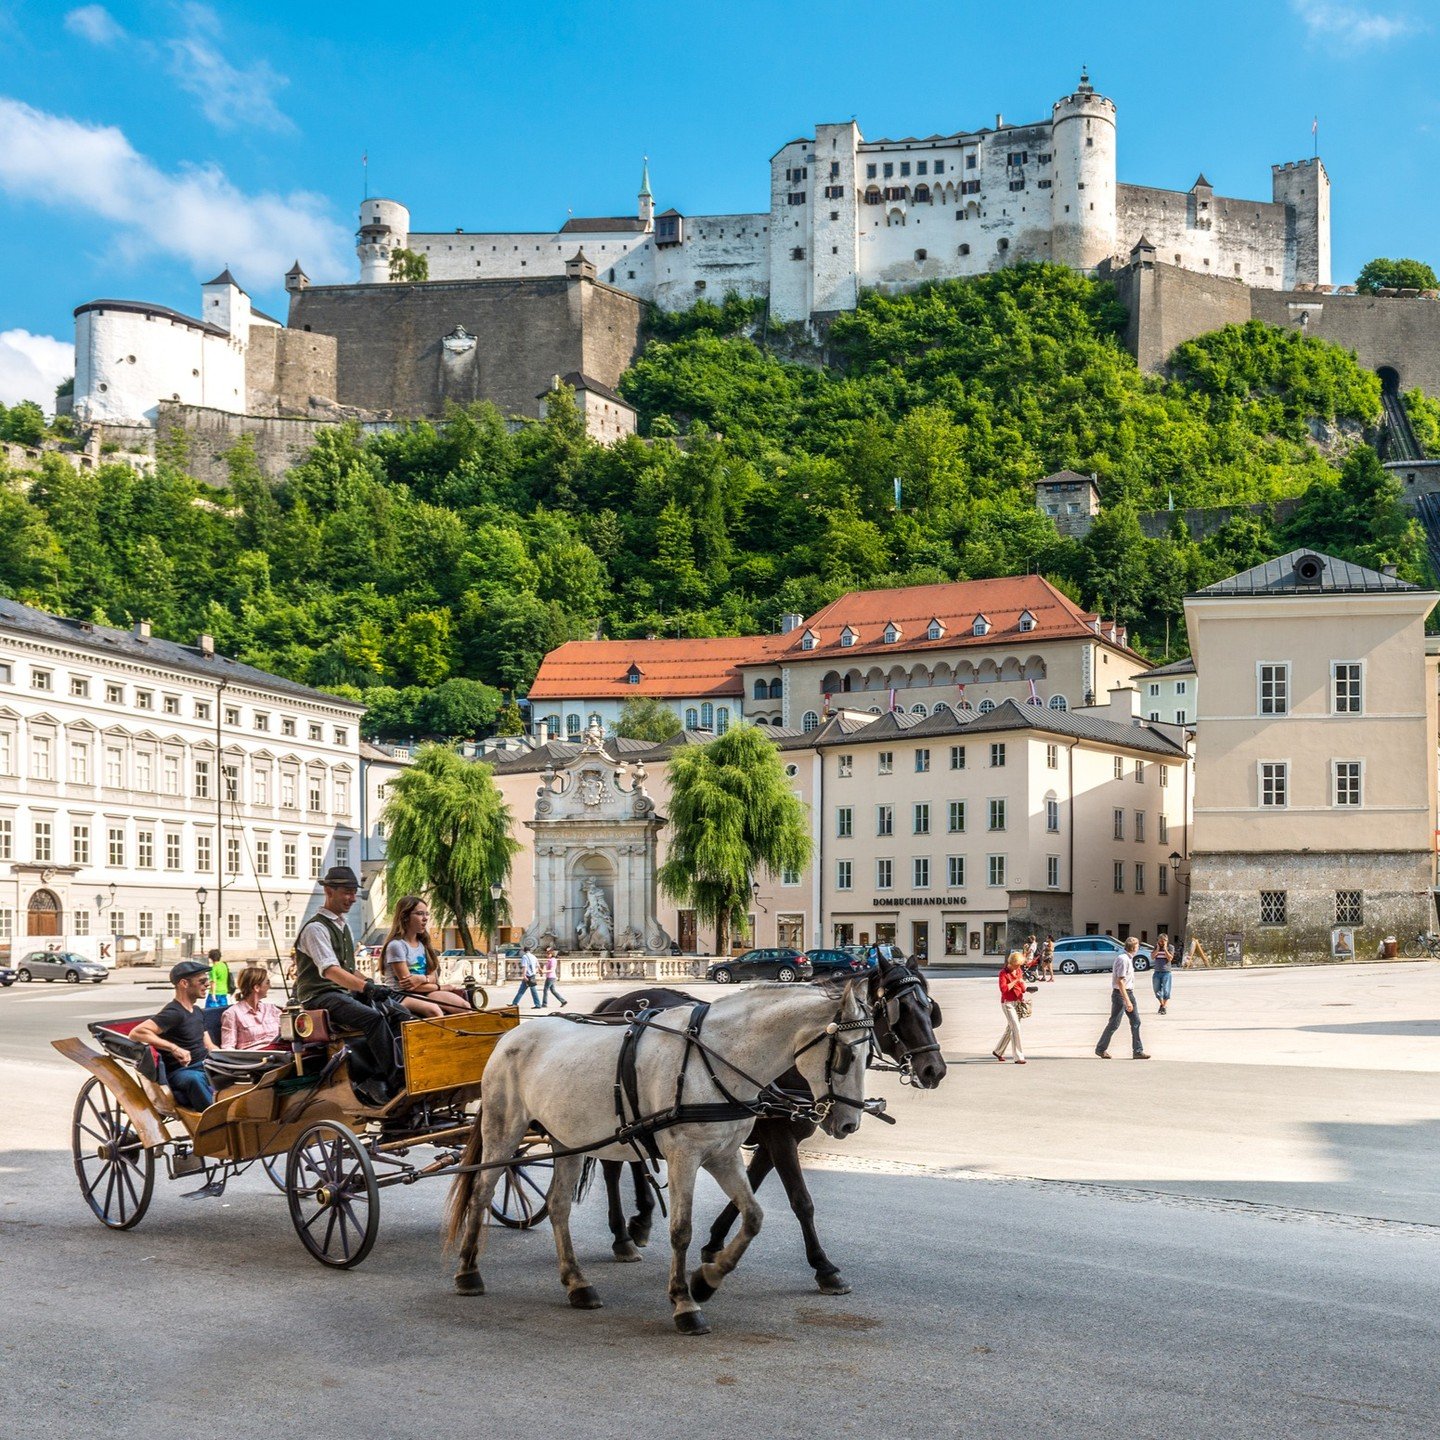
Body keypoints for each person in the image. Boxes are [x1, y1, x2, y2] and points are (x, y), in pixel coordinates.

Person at [294, 865, 405, 1105]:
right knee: (372, 1019)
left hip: (340, 993)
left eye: (354, 892)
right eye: (347, 892)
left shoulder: (342, 925)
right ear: (328, 891)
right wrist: (365, 988)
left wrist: (370, 983)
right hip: (320, 996)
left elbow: (347, 967)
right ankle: (396, 1080)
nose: (353, 898)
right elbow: (331, 970)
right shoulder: (316, 928)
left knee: (399, 1012)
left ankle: (406, 1066)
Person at [130, 960, 218, 1110]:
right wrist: (174, 1048)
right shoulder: (174, 1013)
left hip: (204, 1064)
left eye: (207, 980)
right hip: (182, 1072)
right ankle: (214, 1120)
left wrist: (228, 1057)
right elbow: (136, 1032)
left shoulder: (197, 1011)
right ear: (184, 983)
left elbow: (208, 1045)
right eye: (202, 981)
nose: (207, 985)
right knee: (194, 1080)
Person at [381, 895, 471, 1018]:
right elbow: (409, 986)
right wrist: (441, 987)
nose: (425, 918)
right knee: (434, 1010)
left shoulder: (423, 944)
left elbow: (433, 977)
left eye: (426, 914)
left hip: (425, 990)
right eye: (419, 914)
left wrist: (422, 979)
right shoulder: (396, 946)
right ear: (405, 917)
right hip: (400, 994)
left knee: (464, 1006)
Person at [1096, 936, 1151, 1060]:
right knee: (1114, 1023)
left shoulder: (1128, 959)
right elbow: (1120, 981)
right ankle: (1100, 1049)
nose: (1138, 948)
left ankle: (1137, 1051)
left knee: (1136, 1021)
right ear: (1133, 947)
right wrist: (1127, 1001)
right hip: (1121, 994)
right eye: (1137, 946)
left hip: (1128, 993)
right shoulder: (1123, 959)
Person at [220, 965, 283, 1049]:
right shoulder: (232, 1014)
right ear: (256, 987)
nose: (270, 986)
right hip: (254, 1059)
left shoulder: (271, 1009)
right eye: (267, 983)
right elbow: (227, 1047)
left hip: (278, 1053)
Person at [992, 951, 1030, 1064]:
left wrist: (1026, 988)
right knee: (1016, 1028)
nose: (1019, 967)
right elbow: (1003, 989)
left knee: (1011, 1028)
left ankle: (998, 1051)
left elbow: (1022, 987)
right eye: (1017, 965)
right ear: (1012, 963)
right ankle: (1018, 1056)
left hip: (1018, 1002)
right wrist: (1016, 980)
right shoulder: (1003, 973)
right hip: (1007, 1003)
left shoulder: (1018, 971)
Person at [1151, 932, 1175, 1014]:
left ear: (1166, 941)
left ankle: (1164, 1006)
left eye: (1163, 941)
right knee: (1156, 990)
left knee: (1166, 990)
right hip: (1157, 972)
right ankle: (1162, 1005)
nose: (1162, 943)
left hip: (1166, 972)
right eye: (1160, 941)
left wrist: (1165, 949)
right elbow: (1152, 957)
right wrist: (1157, 949)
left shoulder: (1170, 947)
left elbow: (1170, 958)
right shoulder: (1156, 947)